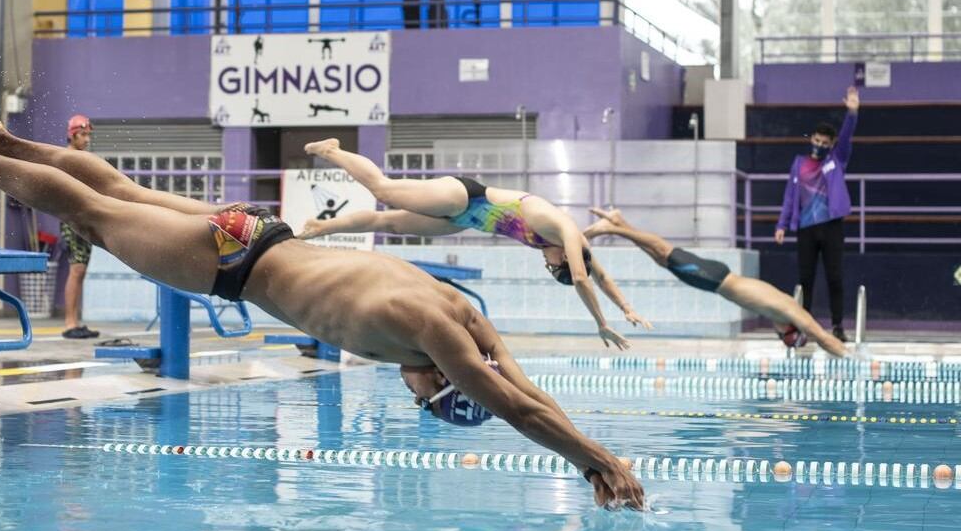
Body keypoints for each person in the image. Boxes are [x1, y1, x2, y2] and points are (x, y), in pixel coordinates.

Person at [0, 119, 645, 510]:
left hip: (260, 231)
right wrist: (598, 463)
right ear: (442, 382)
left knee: (120, 191)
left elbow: (522, 385)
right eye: (428, 400)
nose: (414, 394)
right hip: (233, 265)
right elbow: (515, 407)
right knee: (96, 212)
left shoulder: (462, 313)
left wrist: (595, 450)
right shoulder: (436, 339)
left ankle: (6, 142)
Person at [297, 139, 649, 350]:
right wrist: (600, 322)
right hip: (464, 196)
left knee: (387, 222)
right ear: (567, 258)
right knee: (384, 190)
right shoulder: (566, 230)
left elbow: (601, 276)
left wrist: (626, 308)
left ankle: (321, 227)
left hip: (462, 219)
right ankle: (333, 150)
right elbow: (584, 278)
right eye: (553, 266)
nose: (548, 263)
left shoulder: (573, 247)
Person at [584, 207, 847, 358]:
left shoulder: (784, 312)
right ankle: (611, 228)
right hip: (716, 279)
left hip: (715, 281)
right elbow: (824, 338)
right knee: (665, 252)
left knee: (662, 258)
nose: (777, 333)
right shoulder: (794, 312)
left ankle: (618, 222)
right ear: (790, 329)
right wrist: (849, 357)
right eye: (782, 336)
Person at [775, 87, 861, 343]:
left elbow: (846, 136)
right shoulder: (798, 164)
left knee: (835, 278)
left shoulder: (837, 160)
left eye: (825, 142)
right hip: (806, 229)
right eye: (817, 140)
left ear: (831, 144)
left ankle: (837, 326)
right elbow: (789, 196)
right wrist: (781, 225)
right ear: (811, 138)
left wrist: (852, 113)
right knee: (806, 280)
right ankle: (804, 327)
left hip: (832, 227)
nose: (820, 145)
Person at [60, 115, 99, 340]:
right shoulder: (67, 158)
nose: (86, 139)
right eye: (83, 135)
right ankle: (69, 323)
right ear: (72, 135)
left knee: (80, 270)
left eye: (88, 135)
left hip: (82, 219)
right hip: (71, 219)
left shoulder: (81, 158)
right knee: (76, 269)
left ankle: (74, 321)